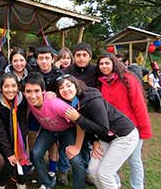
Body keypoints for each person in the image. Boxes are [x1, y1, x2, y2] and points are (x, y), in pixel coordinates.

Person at [56, 74, 139, 189]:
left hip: (124, 135)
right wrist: (94, 141)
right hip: (106, 137)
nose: (65, 89)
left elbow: (103, 128)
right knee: (93, 170)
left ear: (76, 85)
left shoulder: (92, 99)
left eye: (68, 85)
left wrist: (78, 118)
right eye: (61, 88)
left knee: (105, 174)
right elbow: (87, 124)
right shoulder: (74, 102)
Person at [97, 53, 152, 189]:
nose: (104, 66)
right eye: (101, 64)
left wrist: (144, 130)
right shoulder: (101, 83)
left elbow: (139, 105)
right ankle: (115, 183)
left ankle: (137, 186)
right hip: (113, 129)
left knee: (134, 160)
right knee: (111, 161)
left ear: (114, 64)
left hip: (133, 128)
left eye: (107, 63)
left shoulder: (128, 79)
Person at [24, 72, 86, 189]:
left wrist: (77, 146)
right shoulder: (29, 101)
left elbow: (80, 122)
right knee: (36, 153)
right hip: (48, 130)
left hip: (67, 130)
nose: (33, 96)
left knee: (75, 159)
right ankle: (47, 182)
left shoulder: (57, 105)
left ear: (43, 91)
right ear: (24, 92)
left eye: (36, 91)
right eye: (28, 91)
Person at [62, 42, 97, 185]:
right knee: (67, 141)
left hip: (90, 112)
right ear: (74, 56)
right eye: (78, 55)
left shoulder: (96, 70)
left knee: (87, 143)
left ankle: (87, 171)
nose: (81, 58)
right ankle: (63, 170)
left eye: (85, 55)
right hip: (70, 112)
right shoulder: (67, 70)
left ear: (90, 56)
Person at [31, 45, 64, 178]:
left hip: (52, 114)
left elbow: (66, 93)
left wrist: (56, 94)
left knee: (52, 140)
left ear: (52, 59)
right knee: (31, 134)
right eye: (41, 58)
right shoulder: (33, 72)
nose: (44, 61)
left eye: (46, 58)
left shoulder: (58, 74)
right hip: (35, 111)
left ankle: (52, 168)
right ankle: (32, 161)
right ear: (37, 60)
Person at [0, 73, 29, 189]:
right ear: (0, 87)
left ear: (18, 87)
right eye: (6, 86)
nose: (10, 90)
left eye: (13, 86)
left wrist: (20, 144)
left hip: (18, 135)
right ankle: (1, 184)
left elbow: (22, 123)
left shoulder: (21, 100)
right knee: (11, 160)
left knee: (21, 157)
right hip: (2, 136)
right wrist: (9, 152)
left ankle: (21, 181)